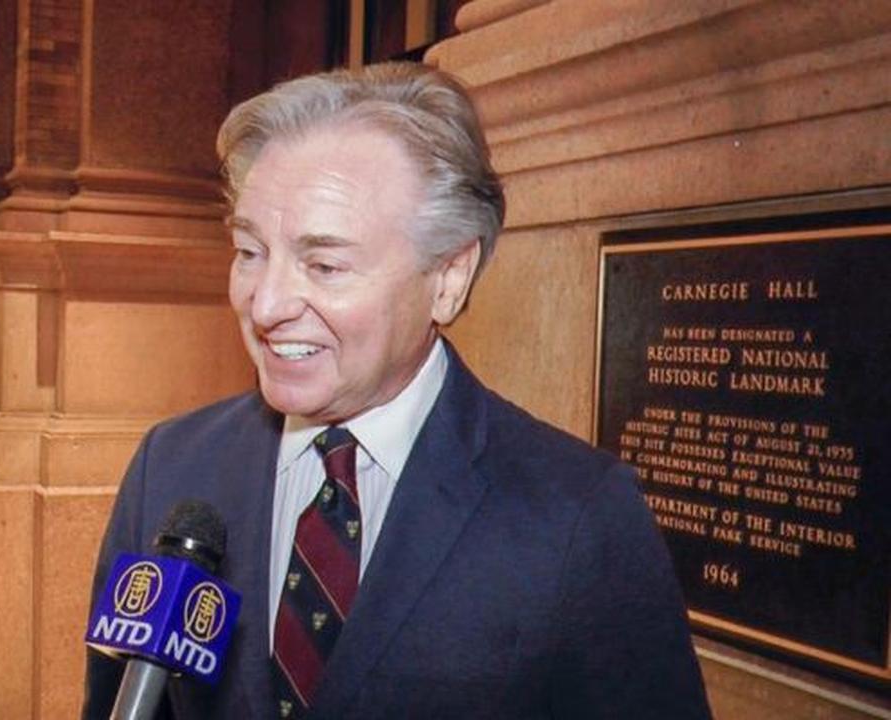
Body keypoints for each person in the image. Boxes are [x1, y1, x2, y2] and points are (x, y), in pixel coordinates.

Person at [83, 62, 711, 719]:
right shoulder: (173, 466)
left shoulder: (580, 516)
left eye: (325, 265)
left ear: (448, 279)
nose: (265, 305)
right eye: (249, 251)